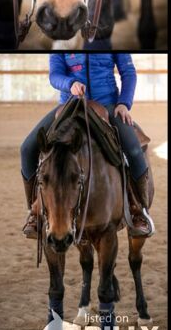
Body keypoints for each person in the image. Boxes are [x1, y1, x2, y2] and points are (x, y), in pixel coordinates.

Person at [21, 53, 155, 239]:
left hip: (107, 104)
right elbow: (55, 75)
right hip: (70, 104)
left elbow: (128, 72)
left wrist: (124, 103)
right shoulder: (63, 39)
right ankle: (35, 212)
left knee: (133, 149)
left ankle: (138, 210)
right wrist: (70, 84)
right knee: (27, 149)